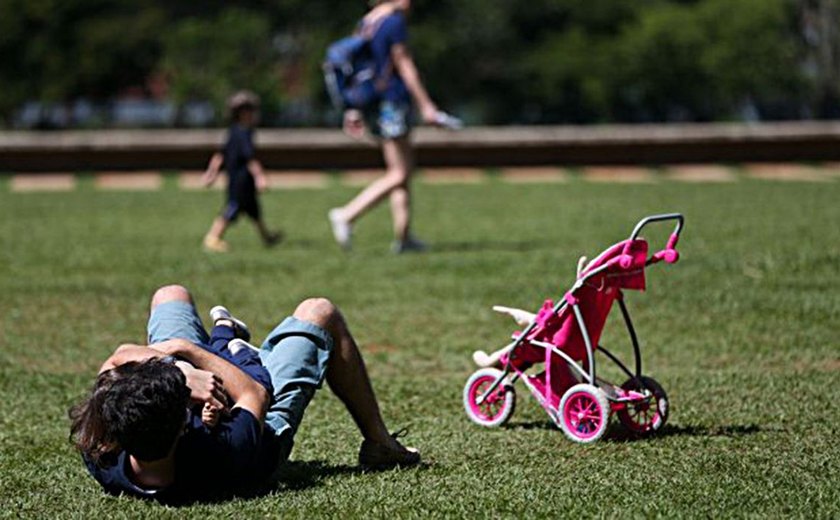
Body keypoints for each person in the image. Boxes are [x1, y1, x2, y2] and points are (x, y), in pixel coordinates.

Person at [69, 284, 420, 503]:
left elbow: (117, 357)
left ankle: (222, 337)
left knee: (170, 294)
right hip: (260, 416)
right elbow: (253, 393)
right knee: (319, 311)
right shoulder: (224, 452)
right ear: (182, 426)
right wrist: (185, 353)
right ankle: (380, 444)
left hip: (188, 397)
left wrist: (179, 372)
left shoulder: (102, 449)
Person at [328, 0, 451, 253]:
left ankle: (404, 237)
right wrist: (426, 105)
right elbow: (403, 64)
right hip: (393, 101)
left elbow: (354, 69)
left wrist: (352, 109)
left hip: (374, 103)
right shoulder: (393, 22)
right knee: (399, 174)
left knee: (400, 171)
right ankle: (347, 215)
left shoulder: (367, 22)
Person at [202, 91, 281, 253]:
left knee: (254, 211)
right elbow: (249, 158)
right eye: (251, 111)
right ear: (243, 113)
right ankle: (212, 237)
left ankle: (267, 237)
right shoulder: (243, 133)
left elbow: (219, 155)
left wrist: (211, 173)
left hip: (242, 180)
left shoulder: (235, 131)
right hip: (240, 180)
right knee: (232, 208)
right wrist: (260, 177)